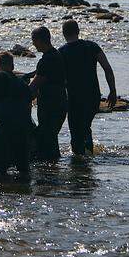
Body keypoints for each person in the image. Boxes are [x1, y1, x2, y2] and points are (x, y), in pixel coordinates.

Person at [58, 20, 117, 157]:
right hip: (93, 96)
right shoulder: (92, 46)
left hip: (74, 97)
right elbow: (107, 69)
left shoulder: (62, 52)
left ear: (63, 34)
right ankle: (87, 158)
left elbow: (57, 78)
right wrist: (113, 91)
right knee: (85, 126)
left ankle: (80, 163)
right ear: (78, 31)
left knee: (76, 130)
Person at [31, 26, 67, 160]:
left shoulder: (46, 61)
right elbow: (38, 75)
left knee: (48, 140)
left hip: (50, 106)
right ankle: (53, 169)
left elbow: (34, 85)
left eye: (34, 40)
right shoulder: (56, 55)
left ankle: (51, 172)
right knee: (51, 138)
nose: (33, 44)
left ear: (40, 40)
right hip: (61, 102)